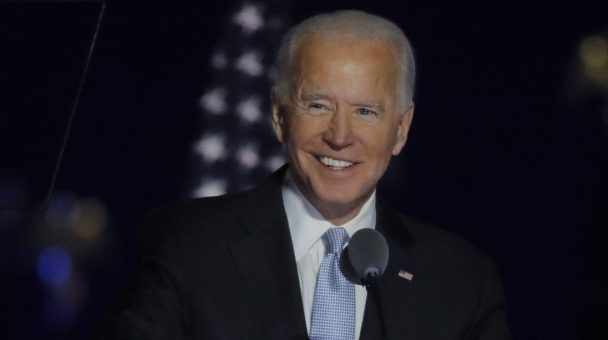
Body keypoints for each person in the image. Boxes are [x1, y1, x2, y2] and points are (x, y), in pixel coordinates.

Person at [96, 10, 510, 340]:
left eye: (365, 111)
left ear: (401, 129)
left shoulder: (461, 283)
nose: (340, 136)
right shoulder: (187, 247)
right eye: (317, 106)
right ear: (279, 116)